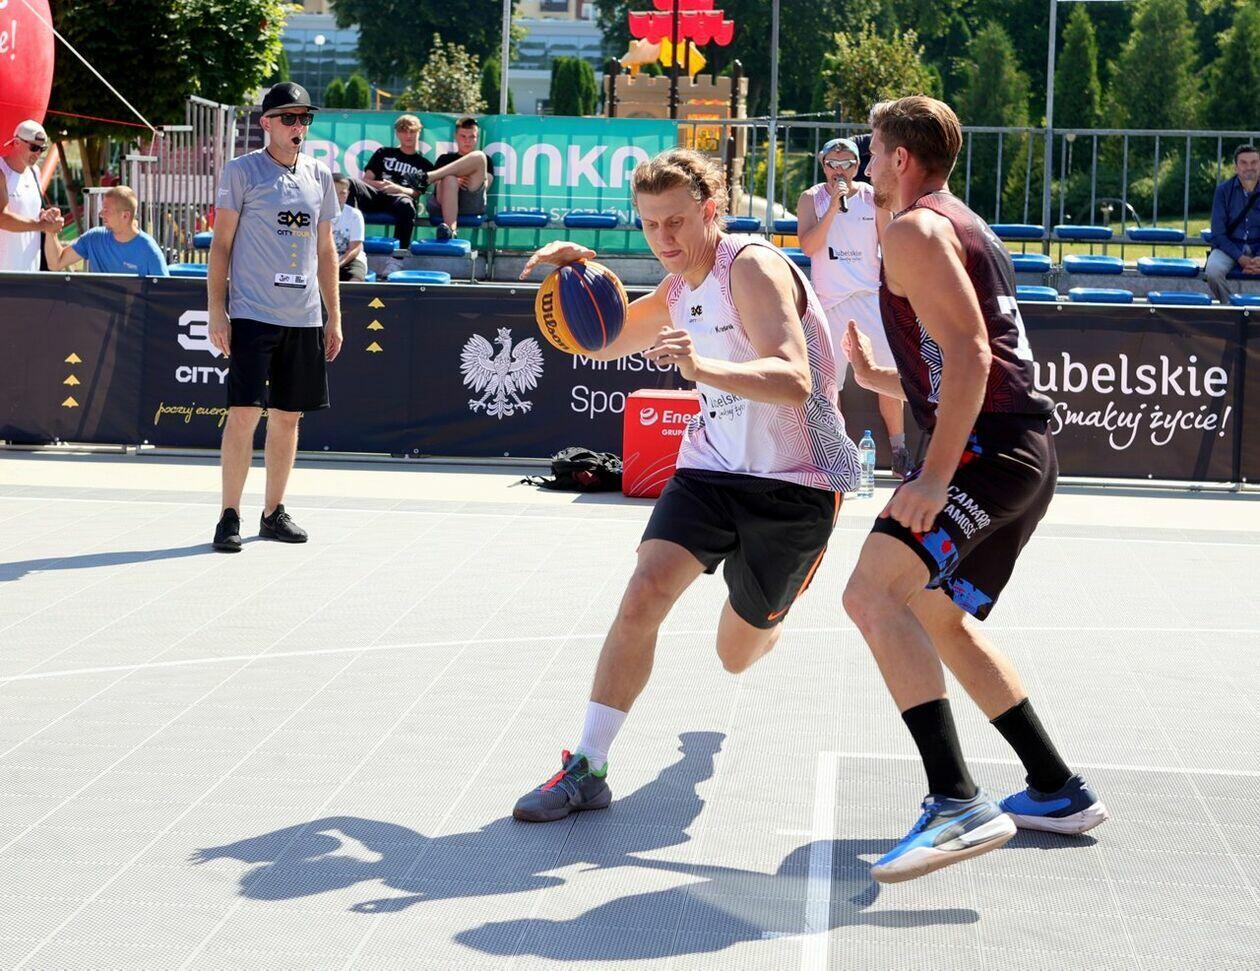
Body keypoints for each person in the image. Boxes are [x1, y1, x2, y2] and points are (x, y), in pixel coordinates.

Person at [511, 148, 860, 823]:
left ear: (710, 210)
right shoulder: (676, 291)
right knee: (644, 590)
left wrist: (701, 368)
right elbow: (602, 340)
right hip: (710, 469)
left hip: (797, 483)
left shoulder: (750, 267)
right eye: (649, 225)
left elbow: (794, 380)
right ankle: (588, 764)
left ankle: (767, 620)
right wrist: (575, 279)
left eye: (675, 221)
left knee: (736, 654)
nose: (663, 238)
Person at [840, 96, 1107, 884]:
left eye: (872, 149)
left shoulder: (913, 231)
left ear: (899, 158)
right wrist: (879, 377)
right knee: (934, 612)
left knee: (870, 593)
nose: (864, 164)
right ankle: (1055, 786)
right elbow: (967, 357)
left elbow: (972, 357)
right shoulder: (966, 225)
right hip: (1023, 452)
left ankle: (956, 799)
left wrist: (932, 475)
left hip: (986, 453)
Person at [207, 82, 343, 554]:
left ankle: (273, 513)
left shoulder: (319, 174)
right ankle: (229, 515)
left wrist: (333, 316)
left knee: (288, 417)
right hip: (252, 312)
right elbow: (221, 246)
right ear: (266, 123)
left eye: (305, 118)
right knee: (244, 414)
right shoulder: (242, 171)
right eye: (289, 117)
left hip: (303, 316)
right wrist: (217, 310)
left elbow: (326, 250)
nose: (298, 126)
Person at [797, 137, 908, 475]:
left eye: (847, 164)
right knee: (827, 384)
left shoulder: (874, 198)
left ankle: (900, 451)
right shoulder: (811, 198)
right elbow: (808, 246)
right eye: (833, 163)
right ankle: (834, 451)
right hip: (828, 303)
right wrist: (833, 208)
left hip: (868, 299)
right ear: (823, 165)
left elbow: (890, 245)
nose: (839, 170)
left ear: (857, 166)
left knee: (886, 376)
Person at [42, 185, 168, 276]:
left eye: (106, 210)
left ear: (125, 216)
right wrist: (50, 229)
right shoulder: (93, 238)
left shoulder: (149, 250)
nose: (101, 214)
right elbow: (56, 264)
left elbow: (165, 294)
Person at [349, 114, 432, 249]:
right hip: (376, 194)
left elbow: (417, 192)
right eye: (403, 131)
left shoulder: (424, 164)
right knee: (350, 183)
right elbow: (366, 180)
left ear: (419, 132)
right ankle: (347, 242)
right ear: (397, 133)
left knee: (407, 205)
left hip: (400, 198)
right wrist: (381, 185)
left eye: (412, 131)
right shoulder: (384, 152)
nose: (408, 135)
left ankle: (399, 254)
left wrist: (398, 189)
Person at [0, 120, 61, 273]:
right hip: (4, 272)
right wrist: (42, 225)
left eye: (42, 149)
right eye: (34, 147)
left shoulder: (34, 172)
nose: (37, 153)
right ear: (16, 142)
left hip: (30, 270)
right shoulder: (2, 172)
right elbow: (2, 218)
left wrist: (45, 216)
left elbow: (29, 212)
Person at [1204, 144, 1260, 304]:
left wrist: (1259, 258)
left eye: (1254, 162)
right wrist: (1240, 257)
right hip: (1230, 246)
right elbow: (1218, 233)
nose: (1249, 167)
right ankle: (1230, 308)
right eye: (1244, 163)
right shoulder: (1223, 191)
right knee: (1213, 271)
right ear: (1236, 167)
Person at [425, 116, 493, 241]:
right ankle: (451, 230)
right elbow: (437, 187)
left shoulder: (485, 160)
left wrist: (465, 174)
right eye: (463, 136)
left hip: (470, 202)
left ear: (477, 138)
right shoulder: (444, 159)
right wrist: (455, 180)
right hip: (444, 202)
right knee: (449, 179)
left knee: (479, 156)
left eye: (472, 137)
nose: (467, 141)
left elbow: (485, 184)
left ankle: (428, 176)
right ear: (456, 136)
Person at [331, 174, 367, 282]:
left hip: (351, 259)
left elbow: (355, 248)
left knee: (355, 278)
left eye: (342, 193)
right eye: (333, 193)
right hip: (324, 258)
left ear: (348, 194)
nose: (338, 197)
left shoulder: (354, 215)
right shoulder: (317, 213)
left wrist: (338, 264)